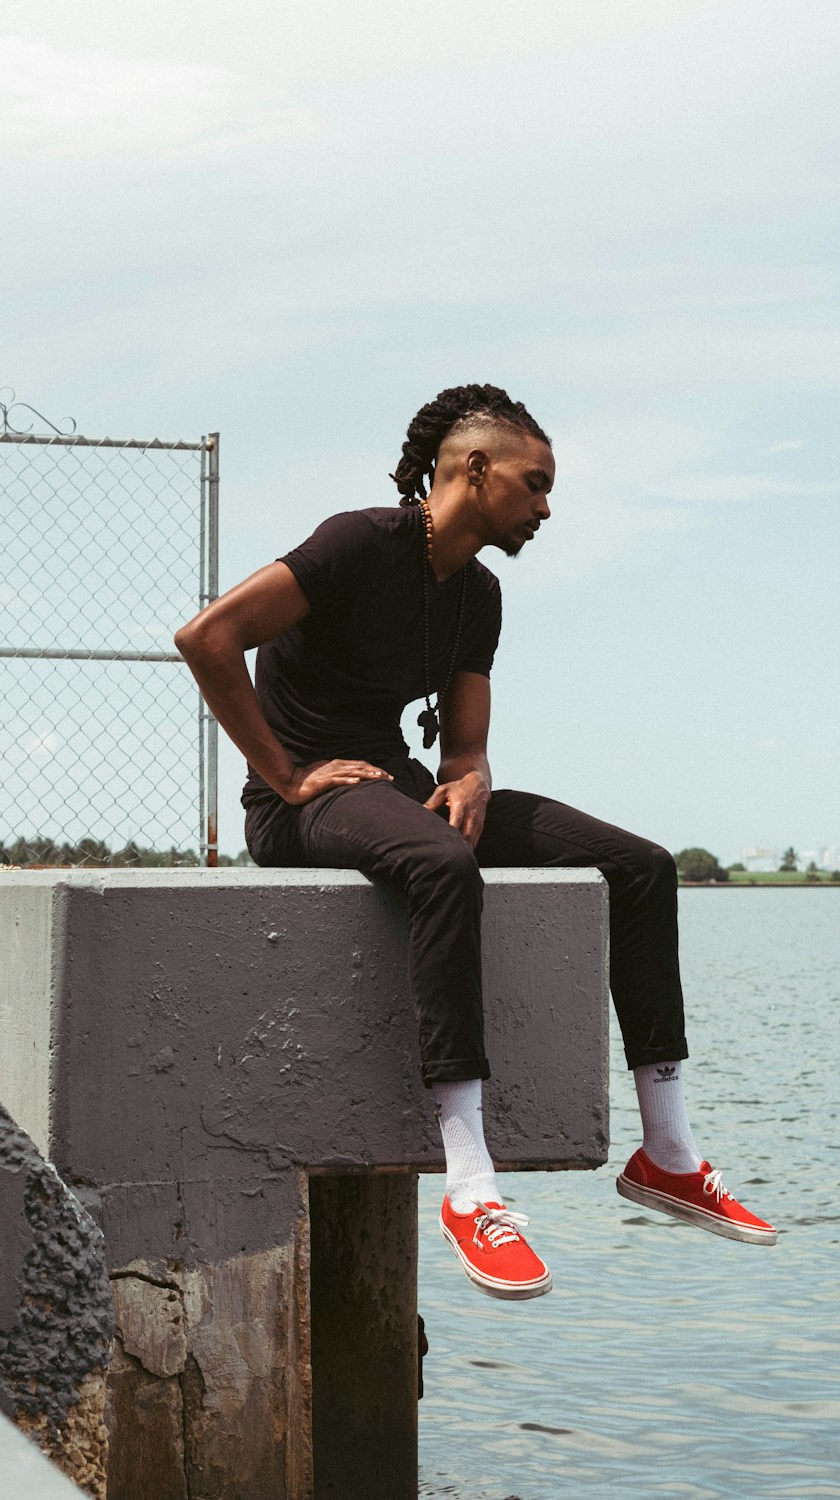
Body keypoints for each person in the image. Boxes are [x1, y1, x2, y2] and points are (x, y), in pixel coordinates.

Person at [175, 382, 776, 1303]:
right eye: (535, 485)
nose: (546, 507)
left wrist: (471, 773)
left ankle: (670, 1153)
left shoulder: (478, 597)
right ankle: (469, 1187)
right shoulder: (358, 542)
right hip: (304, 807)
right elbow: (208, 636)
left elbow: (463, 745)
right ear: (475, 469)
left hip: (401, 797)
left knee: (641, 867)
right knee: (444, 864)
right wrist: (288, 775)